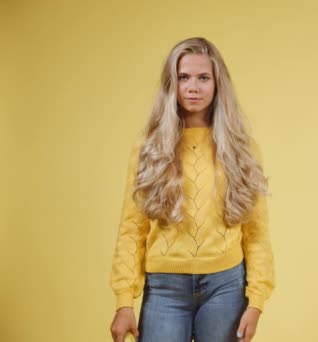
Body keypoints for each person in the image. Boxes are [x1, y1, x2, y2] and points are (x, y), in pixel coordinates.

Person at [109, 37, 275, 342]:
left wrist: (257, 301)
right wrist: (124, 301)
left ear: (217, 83)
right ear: (171, 84)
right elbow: (132, 228)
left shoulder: (242, 148)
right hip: (164, 289)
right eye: (183, 77)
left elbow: (256, 230)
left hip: (226, 287)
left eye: (203, 78)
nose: (193, 87)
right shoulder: (149, 147)